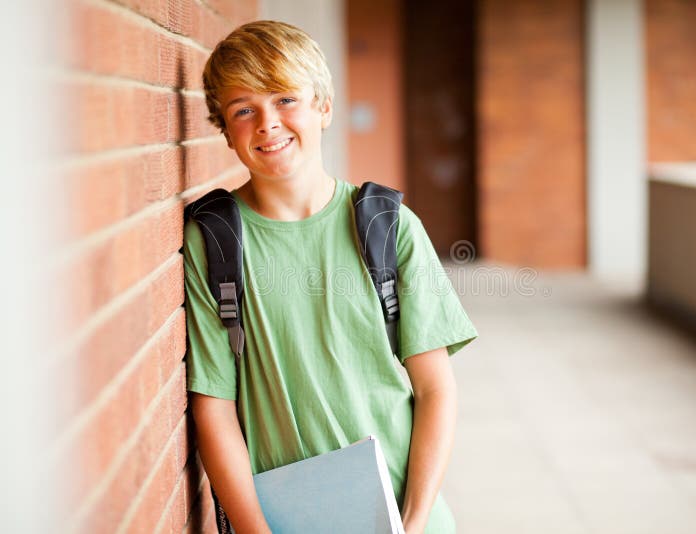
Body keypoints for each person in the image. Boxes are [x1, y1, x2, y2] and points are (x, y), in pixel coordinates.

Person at [183, 20, 477, 534]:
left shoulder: (386, 225)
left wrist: (415, 520)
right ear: (226, 131)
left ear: (324, 106)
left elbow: (436, 390)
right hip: (284, 520)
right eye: (243, 110)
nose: (267, 123)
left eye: (285, 99)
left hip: (405, 517)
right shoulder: (214, 241)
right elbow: (214, 406)